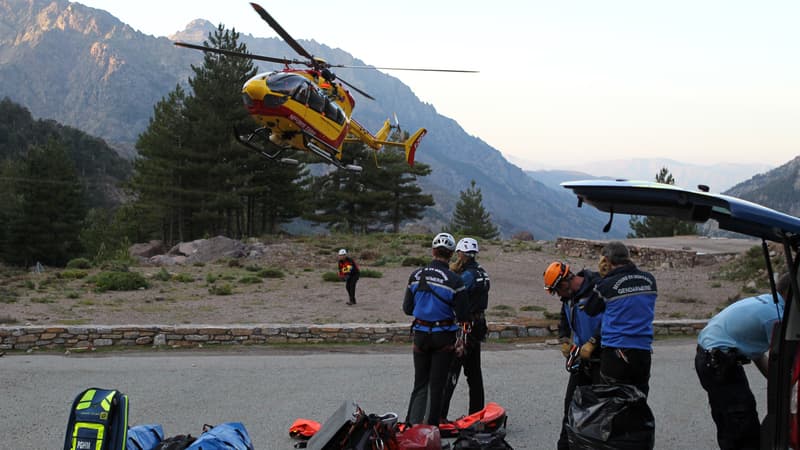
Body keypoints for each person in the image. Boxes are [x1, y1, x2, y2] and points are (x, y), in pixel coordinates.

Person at [695, 273, 791, 450]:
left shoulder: (767, 300)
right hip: (720, 361)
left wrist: (778, 383)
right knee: (742, 424)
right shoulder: (776, 315)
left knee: (728, 419)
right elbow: (783, 358)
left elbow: (757, 355)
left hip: (708, 357)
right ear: (790, 293)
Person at [403, 232, 469, 426]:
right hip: (443, 337)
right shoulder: (455, 280)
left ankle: (411, 427)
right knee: (437, 385)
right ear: (451, 255)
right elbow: (464, 314)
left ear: (433, 251)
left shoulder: (415, 275)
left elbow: (407, 309)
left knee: (420, 384)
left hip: (421, 335)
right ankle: (431, 430)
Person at [583, 241, 657, 395]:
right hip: (643, 350)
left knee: (612, 401)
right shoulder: (650, 280)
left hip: (616, 350)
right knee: (639, 398)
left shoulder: (607, 285)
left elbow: (590, 309)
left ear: (607, 261)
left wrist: (603, 277)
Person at [543, 261, 603, 450]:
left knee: (600, 410)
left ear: (564, 283)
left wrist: (594, 341)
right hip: (580, 360)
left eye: (556, 291)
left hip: (602, 360)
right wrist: (564, 339)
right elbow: (564, 319)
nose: (557, 296)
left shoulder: (598, 290)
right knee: (570, 406)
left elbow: (612, 318)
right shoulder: (569, 298)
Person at [441, 237, 491, 421]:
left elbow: (455, 296)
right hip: (478, 325)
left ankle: (440, 415)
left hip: (465, 327)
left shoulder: (467, 276)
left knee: (452, 371)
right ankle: (476, 414)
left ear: (461, 254)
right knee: (474, 374)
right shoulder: (482, 273)